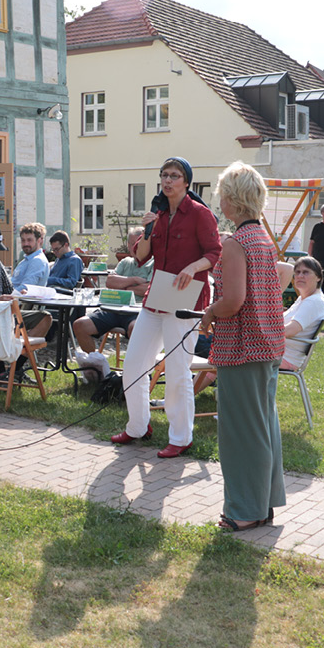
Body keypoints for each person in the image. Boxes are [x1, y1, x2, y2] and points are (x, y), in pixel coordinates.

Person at [112, 157, 221, 458]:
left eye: (175, 175)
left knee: (177, 371)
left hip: (186, 297)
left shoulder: (200, 214)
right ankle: (138, 426)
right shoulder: (157, 214)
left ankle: (181, 437)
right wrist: (148, 230)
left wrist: (192, 267)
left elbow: (214, 252)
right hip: (157, 296)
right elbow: (141, 258)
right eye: (164, 175)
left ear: (186, 182)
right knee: (133, 364)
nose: (168, 180)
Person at [199, 161, 286, 531]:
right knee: (263, 427)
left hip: (242, 348)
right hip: (268, 345)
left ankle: (245, 510)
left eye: (222, 196)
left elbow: (232, 301)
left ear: (233, 201)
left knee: (240, 434)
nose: (221, 203)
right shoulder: (264, 239)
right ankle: (262, 504)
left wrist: (208, 312)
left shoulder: (236, 244)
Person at [73, 226, 152, 353]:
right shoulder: (125, 262)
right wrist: (134, 280)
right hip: (113, 308)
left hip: (136, 311)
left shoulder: (153, 263)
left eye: (137, 243)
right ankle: (96, 365)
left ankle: (135, 368)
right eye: (131, 244)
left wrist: (123, 285)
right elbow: (110, 282)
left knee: (136, 329)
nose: (133, 247)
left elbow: (147, 289)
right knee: (80, 325)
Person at [281, 256, 324, 370]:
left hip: (286, 357)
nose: (300, 276)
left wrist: (260, 333)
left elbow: (290, 330)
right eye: (297, 272)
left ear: (318, 277)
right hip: (279, 352)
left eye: (306, 272)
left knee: (234, 353)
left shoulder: (313, 302)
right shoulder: (304, 299)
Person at [11, 222, 49, 292]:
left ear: (39, 240)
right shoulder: (26, 260)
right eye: (23, 240)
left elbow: (25, 288)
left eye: (29, 240)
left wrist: (4, 296)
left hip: (20, 301)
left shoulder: (38, 261)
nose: (25, 244)